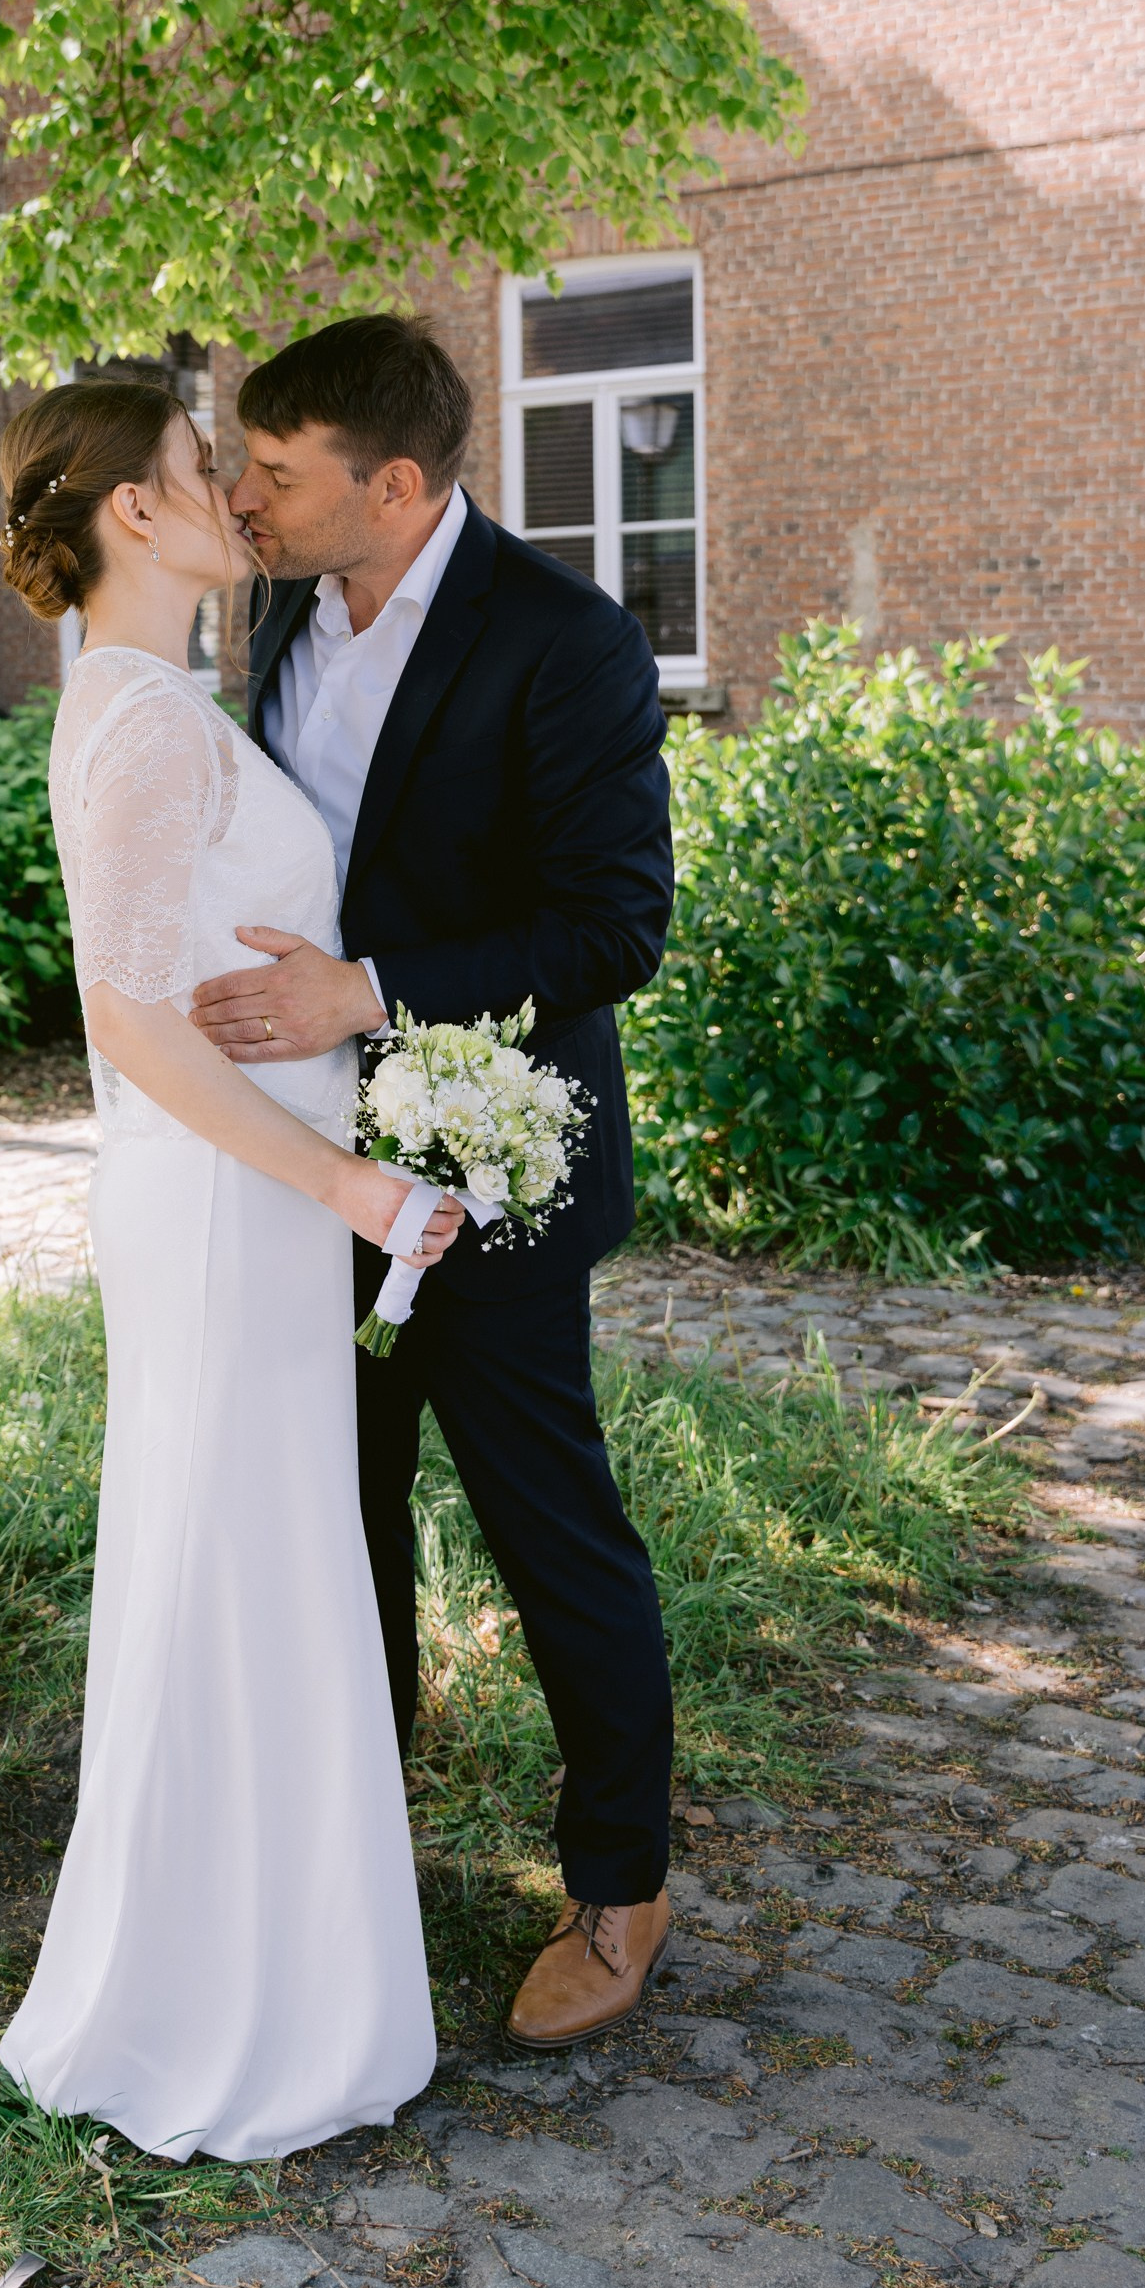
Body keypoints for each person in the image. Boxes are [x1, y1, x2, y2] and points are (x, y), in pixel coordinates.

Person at [191, 312, 678, 2052]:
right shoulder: (278, 613)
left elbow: (616, 922)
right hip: (307, 1171)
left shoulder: (565, 640)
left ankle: (622, 1883)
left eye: (275, 471)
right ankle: (354, 1846)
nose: (239, 494)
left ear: (392, 485)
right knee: (340, 1524)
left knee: (553, 1536)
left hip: (492, 1177)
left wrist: (369, 989)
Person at [0, 376, 458, 2163]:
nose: (234, 497)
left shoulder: (169, 703)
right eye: (203, 470)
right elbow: (128, 1021)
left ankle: (276, 1972)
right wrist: (344, 1177)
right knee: (225, 1560)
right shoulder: (140, 722)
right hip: (219, 1205)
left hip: (240, 1203)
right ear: (130, 511)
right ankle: (205, 2001)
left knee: (261, 1558)